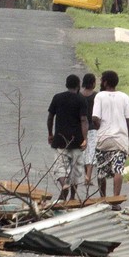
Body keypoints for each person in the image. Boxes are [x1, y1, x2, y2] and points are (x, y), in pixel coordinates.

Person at [92, 70, 129, 203]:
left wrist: (99, 125)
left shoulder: (100, 96)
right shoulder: (124, 97)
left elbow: (94, 117)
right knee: (118, 169)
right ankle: (116, 198)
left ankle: (102, 198)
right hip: (120, 140)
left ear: (105, 82)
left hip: (103, 139)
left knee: (101, 171)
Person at [47, 74, 89, 203]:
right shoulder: (81, 100)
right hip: (76, 140)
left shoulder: (57, 98)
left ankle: (64, 184)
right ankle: (72, 197)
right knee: (75, 169)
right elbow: (83, 120)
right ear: (78, 85)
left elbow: (50, 117)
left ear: (66, 85)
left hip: (60, 140)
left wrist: (50, 133)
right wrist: (85, 138)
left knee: (60, 167)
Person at [80, 73, 98, 198]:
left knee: (83, 151)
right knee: (91, 152)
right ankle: (88, 176)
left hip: (80, 126)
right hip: (92, 127)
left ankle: (86, 175)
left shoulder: (79, 95)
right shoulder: (96, 96)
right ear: (92, 83)